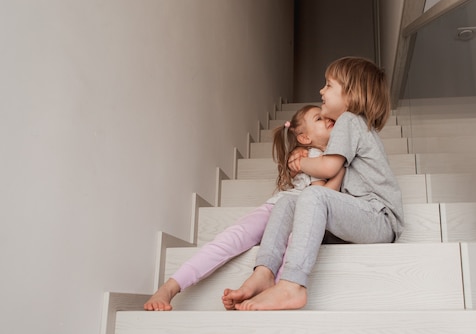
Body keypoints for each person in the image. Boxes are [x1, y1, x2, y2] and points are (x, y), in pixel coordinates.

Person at [222, 56, 404, 311]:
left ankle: (292, 285)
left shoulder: (349, 121)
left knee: (311, 196)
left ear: (351, 96)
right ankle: (264, 273)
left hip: (378, 217)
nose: (321, 91)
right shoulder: (350, 127)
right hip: (358, 217)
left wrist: (300, 163)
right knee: (286, 202)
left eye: (329, 85)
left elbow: (328, 168)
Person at [144, 105, 342, 310]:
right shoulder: (312, 156)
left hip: (296, 216)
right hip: (280, 208)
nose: (327, 118)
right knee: (232, 238)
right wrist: (340, 169)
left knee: (276, 241)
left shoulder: (322, 156)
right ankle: (170, 286)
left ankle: (272, 291)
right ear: (304, 138)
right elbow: (322, 193)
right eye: (319, 118)